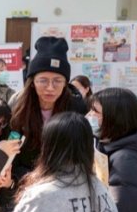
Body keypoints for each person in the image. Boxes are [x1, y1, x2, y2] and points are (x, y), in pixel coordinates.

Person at [9, 36, 86, 182]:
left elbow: (80, 152)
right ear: (32, 82)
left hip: (65, 180)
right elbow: (12, 148)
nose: (50, 88)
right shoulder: (18, 104)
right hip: (25, 179)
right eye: (43, 80)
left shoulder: (76, 107)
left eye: (57, 81)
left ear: (65, 83)